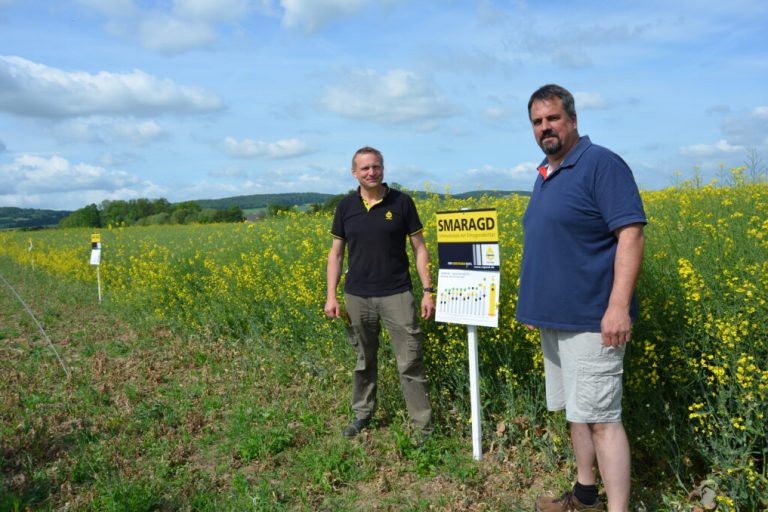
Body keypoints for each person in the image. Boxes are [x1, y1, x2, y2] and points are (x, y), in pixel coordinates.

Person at [515, 85, 647, 512]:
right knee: (576, 411)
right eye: (537, 122)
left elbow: (630, 233)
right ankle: (585, 496)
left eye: (552, 118)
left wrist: (617, 306)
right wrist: (535, 305)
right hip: (556, 320)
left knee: (603, 419)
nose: (545, 128)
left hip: (593, 319)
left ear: (572, 120)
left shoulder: (600, 164)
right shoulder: (545, 172)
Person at [324, 146, 436, 441]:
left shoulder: (402, 203)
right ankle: (362, 414)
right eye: (365, 169)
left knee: (410, 361)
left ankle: (422, 427)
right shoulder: (346, 207)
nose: (371, 172)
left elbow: (419, 248)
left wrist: (428, 291)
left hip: (397, 294)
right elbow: (336, 254)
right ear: (354, 173)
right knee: (363, 360)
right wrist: (331, 296)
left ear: (383, 168)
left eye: (376, 167)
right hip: (357, 296)